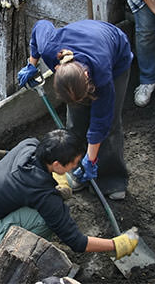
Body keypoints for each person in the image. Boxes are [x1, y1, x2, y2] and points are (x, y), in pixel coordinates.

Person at [0, 129, 138, 259]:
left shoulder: (29, 144)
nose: (77, 166)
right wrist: (117, 244)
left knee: (65, 180)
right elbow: (77, 242)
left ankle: (4, 230)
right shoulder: (43, 195)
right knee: (44, 220)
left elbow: (52, 177)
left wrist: (60, 181)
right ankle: (7, 247)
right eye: (74, 162)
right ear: (57, 164)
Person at [17, 19, 133, 200]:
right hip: (84, 42)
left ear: (87, 77)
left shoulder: (102, 74)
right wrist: (32, 64)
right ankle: (77, 169)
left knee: (109, 127)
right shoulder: (49, 49)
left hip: (115, 52)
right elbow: (40, 25)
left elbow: (101, 121)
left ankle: (111, 180)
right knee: (76, 121)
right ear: (57, 69)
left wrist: (92, 159)